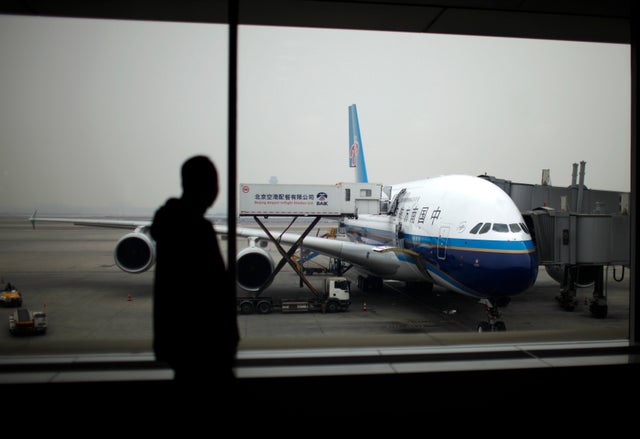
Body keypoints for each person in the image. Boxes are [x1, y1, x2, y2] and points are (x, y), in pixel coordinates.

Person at [150, 155, 239, 386]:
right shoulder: (197, 230)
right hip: (205, 347)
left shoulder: (169, 226)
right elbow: (214, 293)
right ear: (205, 187)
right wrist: (228, 339)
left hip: (179, 346)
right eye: (214, 184)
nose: (217, 191)